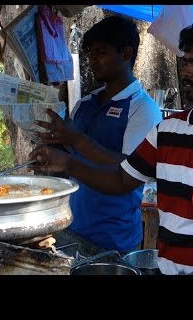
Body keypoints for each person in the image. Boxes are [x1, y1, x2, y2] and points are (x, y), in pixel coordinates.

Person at [29, 20, 193, 275]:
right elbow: (121, 178)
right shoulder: (169, 129)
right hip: (173, 266)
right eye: (186, 62)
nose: (187, 71)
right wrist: (68, 164)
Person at [33, 15, 162, 255]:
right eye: (90, 53)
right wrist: (48, 155)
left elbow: (130, 169)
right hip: (69, 226)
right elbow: (68, 157)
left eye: (101, 52)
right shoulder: (84, 104)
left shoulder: (143, 109)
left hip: (113, 238)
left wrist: (76, 140)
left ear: (125, 54)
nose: (92, 60)